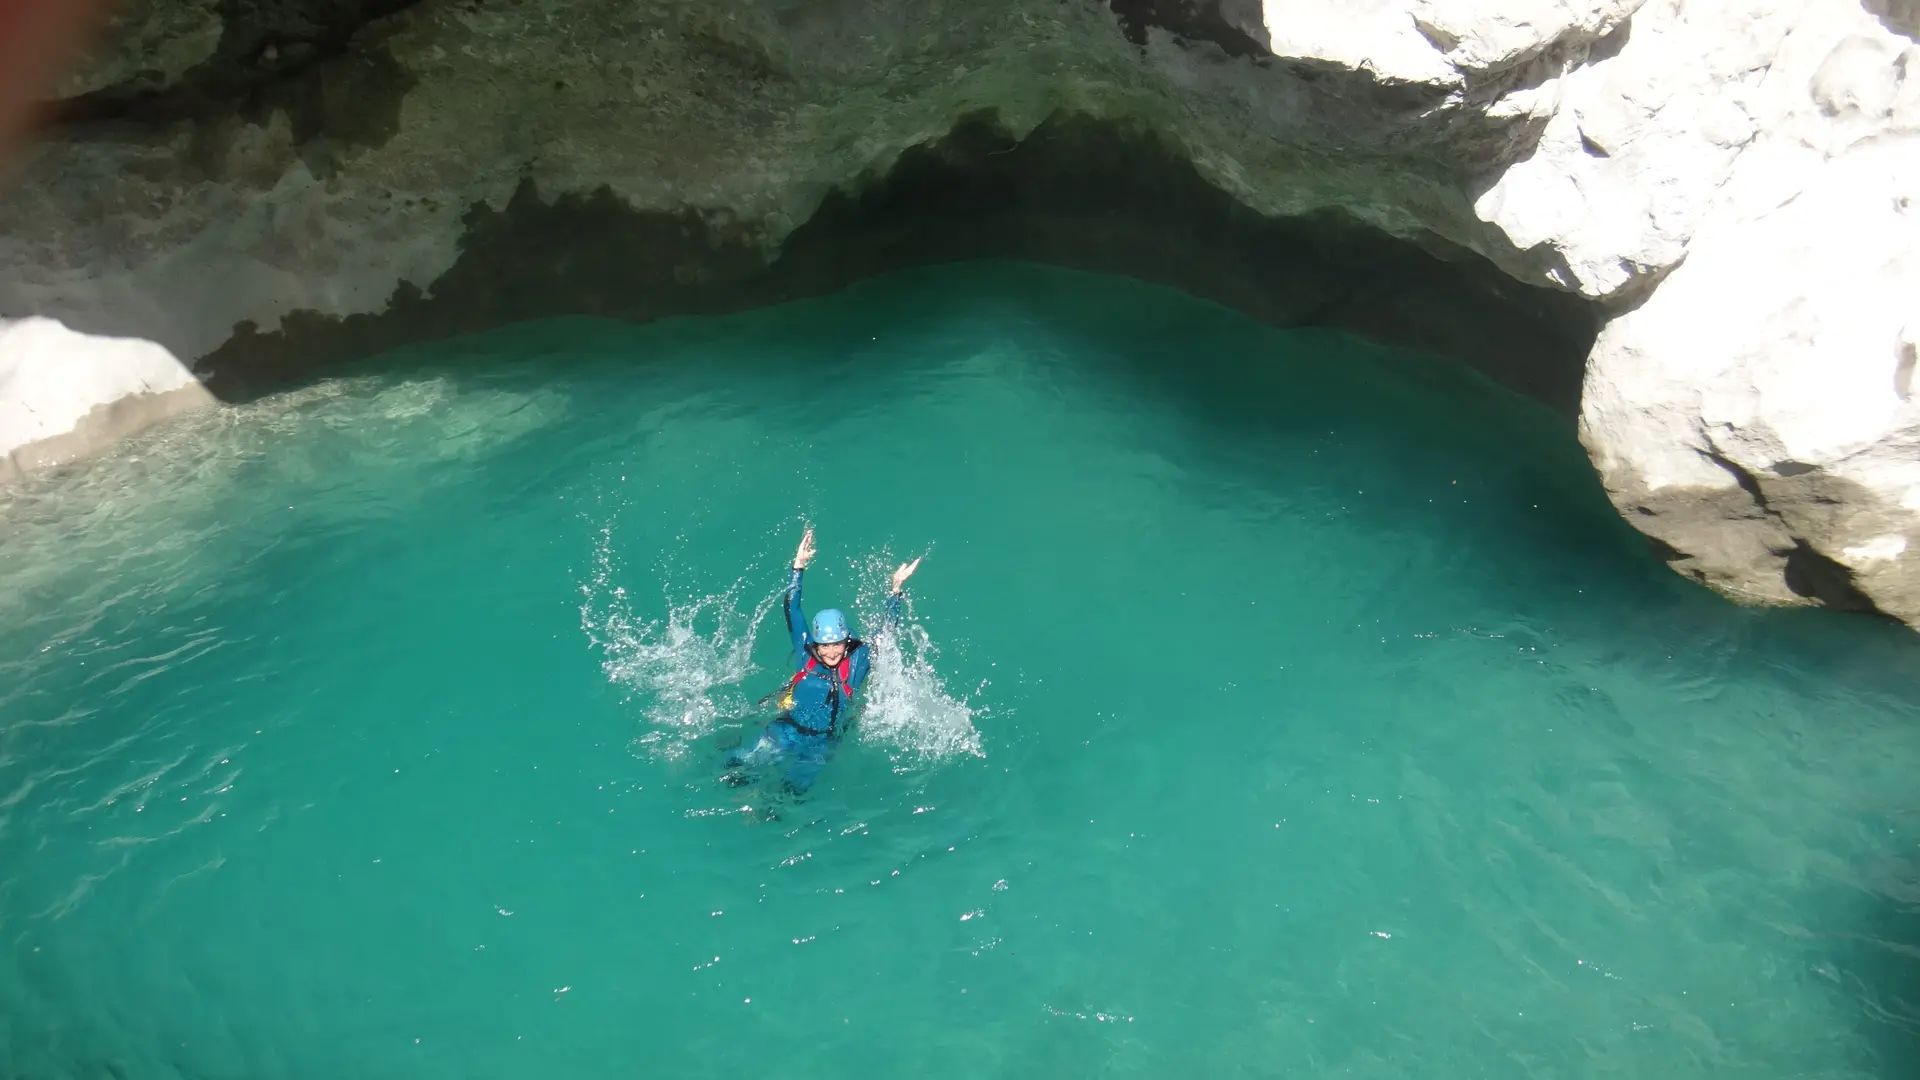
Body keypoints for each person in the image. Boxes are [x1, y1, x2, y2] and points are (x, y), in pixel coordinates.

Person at [724, 527, 921, 794]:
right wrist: (798, 567)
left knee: (793, 792)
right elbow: (792, 608)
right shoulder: (806, 651)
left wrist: (896, 590)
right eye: (824, 646)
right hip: (786, 728)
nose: (830, 652)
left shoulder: (858, 660)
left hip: (821, 743)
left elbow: (885, 631)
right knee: (740, 770)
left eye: (837, 645)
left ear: (846, 641)